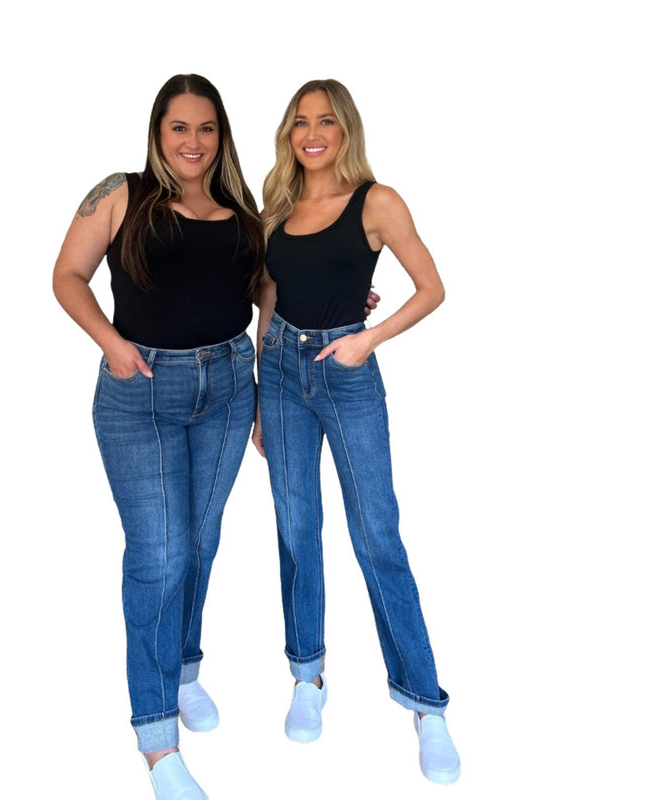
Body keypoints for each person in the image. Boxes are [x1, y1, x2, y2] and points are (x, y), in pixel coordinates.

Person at [52, 74, 264, 800]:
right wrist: (111, 342)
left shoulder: (240, 211)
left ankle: (183, 667)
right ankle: (156, 739)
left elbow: (264, 290)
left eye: (206, 129)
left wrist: (337, 294)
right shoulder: (121, 192)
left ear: (221, 135)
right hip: (139, 390)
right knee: (159, 552)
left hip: (231, 387)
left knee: (199, 540)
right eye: (180, 127)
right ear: (158, 130)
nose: (193, 142)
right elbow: (69, 276)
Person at [253, 79, 461, 785]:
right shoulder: (277, 203)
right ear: (290, 132)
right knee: (294, 528)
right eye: (302, 122)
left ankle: (425, 704)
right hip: (280, 374)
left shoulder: (377, 201)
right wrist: (256, 386)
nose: (313, 133)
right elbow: (271, 296)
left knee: (377, 535)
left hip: (346, 372)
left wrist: (367, 339)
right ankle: (307, 676)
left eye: (327, 122)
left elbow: (431, 288)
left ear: (347, 130)